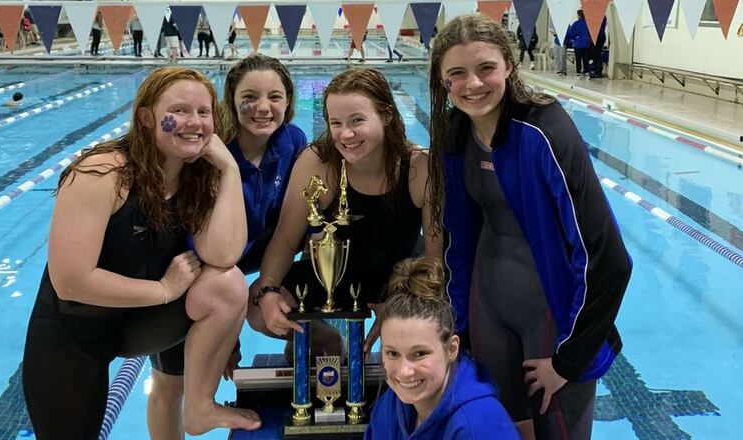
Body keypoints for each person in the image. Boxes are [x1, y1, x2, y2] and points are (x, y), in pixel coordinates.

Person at [21, 67, 261, 440]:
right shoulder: (103, 172)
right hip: (72, 333)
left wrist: (229, 169)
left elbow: (225, 254)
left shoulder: (197, 175)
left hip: (139, 324)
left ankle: (200, 408)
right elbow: (70, 282)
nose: (194, 123)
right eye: (179, 111)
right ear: (147, 117)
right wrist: (164, 291)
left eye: (203, 112)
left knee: (226, 283)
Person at [427, 14, 632, 440]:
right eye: (457, 74)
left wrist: (569, 360)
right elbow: (456, 239)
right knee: (498, 432)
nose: (474, 84)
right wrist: (457, 322)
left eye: (486, 68)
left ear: (509, 66)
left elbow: (609, 259)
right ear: (443, 82)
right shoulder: (455, 134)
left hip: (553, 319)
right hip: (488, 312)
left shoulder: (545, 131)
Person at [147, 54, 307, 439]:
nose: (263, 108)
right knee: (171, 383)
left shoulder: (293, 142)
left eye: (275, 97)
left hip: (244, 269)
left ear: (288, 101)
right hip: (189, 269)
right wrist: (226, 336)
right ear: (231, 101)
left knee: (307, 327)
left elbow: (292, 227)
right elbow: (203, 250)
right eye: (249, 96)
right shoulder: (207, 152)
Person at [246, 68, 441, 361]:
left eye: (357, 120)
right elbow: (285, 241)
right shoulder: (318, 162)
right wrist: (270, 292)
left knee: (420, 322)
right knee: (256, 306)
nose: (345, 134)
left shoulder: (418, 168)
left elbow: (434, 262)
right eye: (335, 123)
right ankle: (325, 338)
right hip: (333, 274)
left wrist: (403, 300)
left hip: (400, 278)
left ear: (387, 116)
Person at [365, 257, 520, 439]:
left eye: (420, 353)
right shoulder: (389, 406)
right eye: (392, 353)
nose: (405, 371)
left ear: (451, 349)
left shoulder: (477, 426)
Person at [567, 10, 591, 77]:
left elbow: (571, 33)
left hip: (578, 44)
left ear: (579, 15)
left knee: (578, 59)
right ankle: (587, 72)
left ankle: (578, 72)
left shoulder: (576, 23)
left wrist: (574, 38)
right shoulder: (588, 23)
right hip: (586, 44)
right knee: (586, 59)